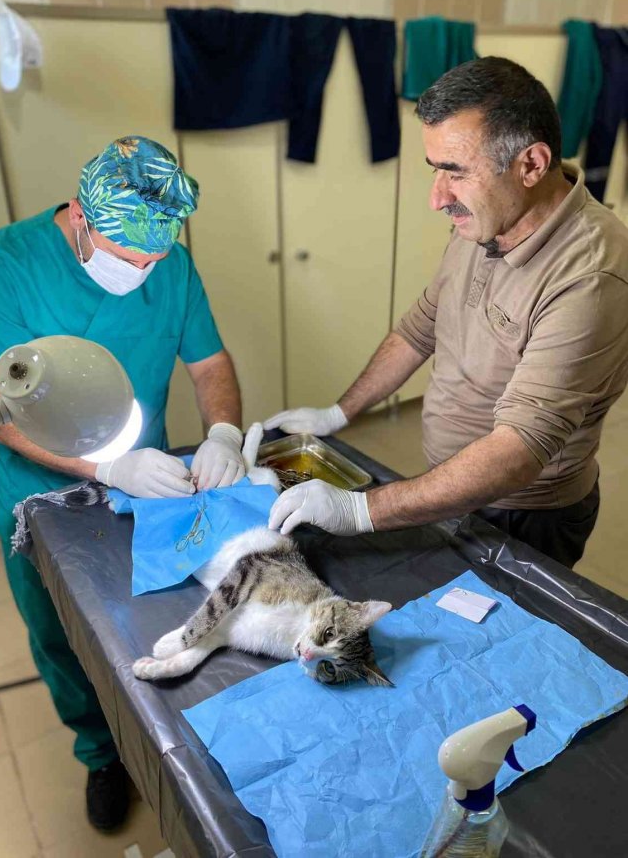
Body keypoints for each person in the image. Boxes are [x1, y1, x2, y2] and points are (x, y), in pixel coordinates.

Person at [0, 136, 244, 830]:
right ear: (81, 218)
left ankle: (170, 741)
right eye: (126, 258)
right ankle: (100, 753)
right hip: (41, 497)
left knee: (154, 619)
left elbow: (210, 364)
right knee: (62, 637)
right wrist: (106, 468)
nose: (142, 273)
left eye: (153, 260)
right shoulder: (2, 266)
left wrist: (224, 432)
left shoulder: (171, 266)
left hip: (148, 484)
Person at [265, 57, 628, 570]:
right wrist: (338, 413)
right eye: (435, 169)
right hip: (455, 487)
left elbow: (520, 449)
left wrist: (361, 510)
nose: (437, 198)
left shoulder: (591, 274)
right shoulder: (488, 219)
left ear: (531, 164)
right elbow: (420, 329)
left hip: (524, 512)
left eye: (455, 172)